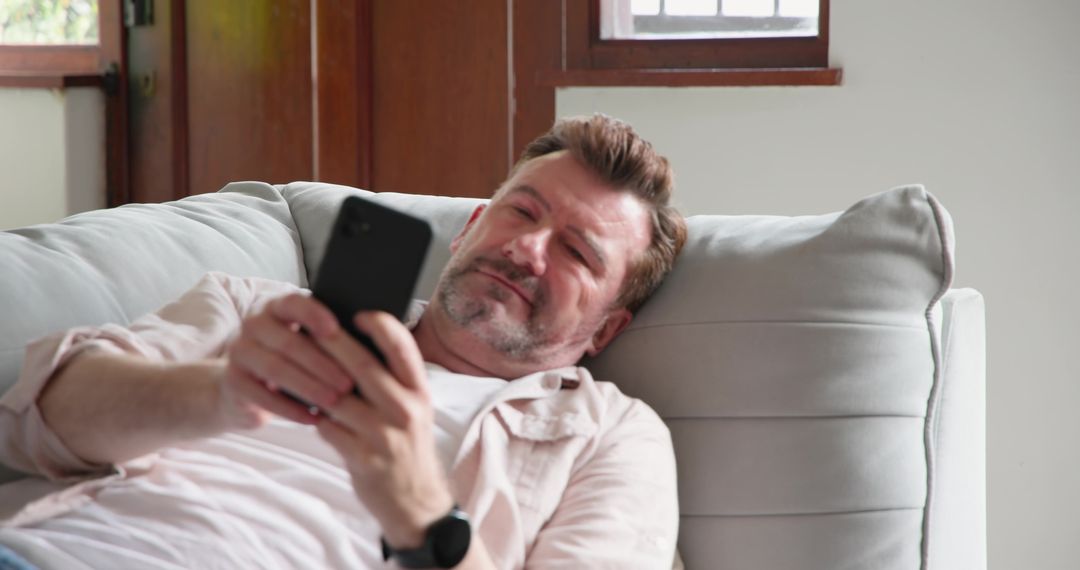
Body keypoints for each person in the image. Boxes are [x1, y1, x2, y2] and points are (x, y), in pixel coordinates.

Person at [0, 114, 687, 569]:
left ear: (608, 327)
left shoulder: (611, 435)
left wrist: (421, 515)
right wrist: (219, 393)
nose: (528, 251)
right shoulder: (259, 308)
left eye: (577, 252)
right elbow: (35, 420)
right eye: (522, 212)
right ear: (470, 227)